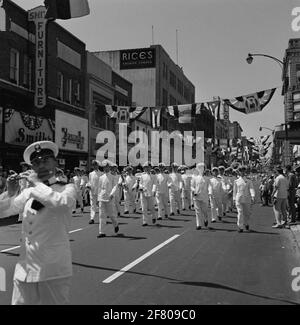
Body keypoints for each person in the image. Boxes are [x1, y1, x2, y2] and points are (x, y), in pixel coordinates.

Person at [0, 141, 77, 305]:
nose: (41, 166)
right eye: (36, 163)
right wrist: (10, 192)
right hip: (25, 267)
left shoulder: (67, 188)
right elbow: (5, 211)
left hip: (52, 268)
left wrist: (37, 184)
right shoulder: (29, 192)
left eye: (45, 161)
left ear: (55, 162)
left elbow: (61, 204)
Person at [97, 160, 120, 238]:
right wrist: (98, 198)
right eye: (104, 167)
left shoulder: (113, 177)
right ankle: (101, 232)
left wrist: (112, 194)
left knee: (111, 215)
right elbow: (99, 188)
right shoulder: (101, 177)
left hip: (110, 198)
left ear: (109, 167)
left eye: (107, 167)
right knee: (101, 215)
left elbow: (115, 186)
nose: (105, 168)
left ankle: (116, 224)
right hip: (102, 198)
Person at [233, 166, 255, 233]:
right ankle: (240, 227)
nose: (242, 172)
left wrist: (253, 196)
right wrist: (234, 199)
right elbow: (235, 191)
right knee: (240, 212)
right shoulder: (236, 181)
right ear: (239, 172)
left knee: (247, 213)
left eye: (243, 171)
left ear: (245, 172)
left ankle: (247, 223)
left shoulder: (248, 181)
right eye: (240, 171)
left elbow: (251, 188)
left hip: (247, 198)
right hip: (239, 198)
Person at [135, 162, 157, 226]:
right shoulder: (142, 176)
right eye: (146, 167)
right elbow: (140, 183)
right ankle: (145, 221)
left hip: (150, 193)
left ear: (150, 168)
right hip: (143, 193)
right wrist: (141, 187)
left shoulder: (153, 176)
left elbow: (155, 184)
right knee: (144, 208)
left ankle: (153, 216)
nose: (147, 169)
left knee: (151, 207)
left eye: (148, 167)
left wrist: (153, 190)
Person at [191, 163, 211, 230]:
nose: (201, 169)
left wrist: (210, 193)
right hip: (196, 196)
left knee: (204, 210)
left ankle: (206, 218)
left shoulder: (207, 178)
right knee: (198, 211)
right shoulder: (194, 178)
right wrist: (194, 191)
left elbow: (210, 187)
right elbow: (192, 186)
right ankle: (198, 225)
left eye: (202, 168)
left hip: (204, 196)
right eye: (199, 168)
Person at [86, 160, 102, 224]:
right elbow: (89, 182)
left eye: (96, 165)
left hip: (99, 192)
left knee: (100, 206)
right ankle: (92, 218)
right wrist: (88, 185)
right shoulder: (91, 174)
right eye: (94, 165)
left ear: (98, 166)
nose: (95, 166)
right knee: (92, 205)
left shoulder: (101, 173)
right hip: (92, 192)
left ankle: (102, 217)